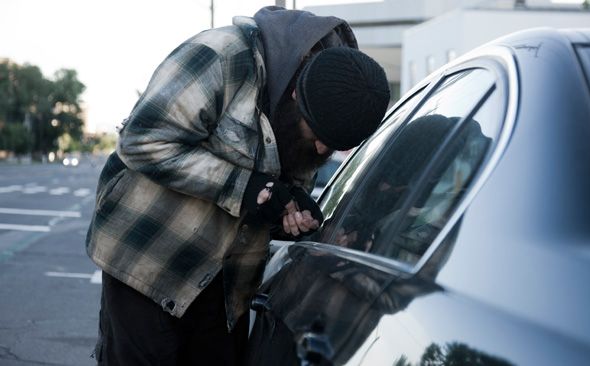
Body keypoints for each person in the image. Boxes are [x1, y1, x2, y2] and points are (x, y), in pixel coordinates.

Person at [84, 5, 390, 366]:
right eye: (319, 136)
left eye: (333, 146)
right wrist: (244, 188)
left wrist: (287, 212)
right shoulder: (220, 56)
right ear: (296, 93)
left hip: (228, 287)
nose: (322, 149)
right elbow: (142, 141)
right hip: (149, 263)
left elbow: (268, 192)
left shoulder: (334, 96)